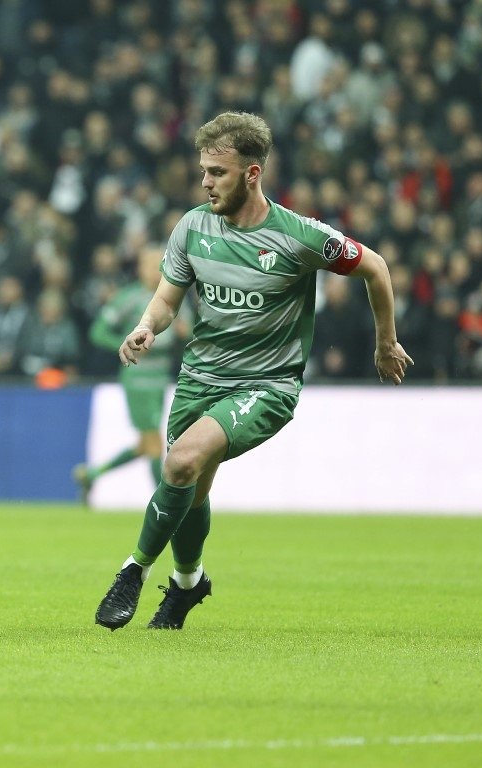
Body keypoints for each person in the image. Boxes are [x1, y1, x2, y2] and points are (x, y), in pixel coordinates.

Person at [95, 112, 413, 632]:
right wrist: (146, 326)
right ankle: (187, 585)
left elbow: (375, 266)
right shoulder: (193, 227)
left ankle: (132, 570)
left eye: (217, 172)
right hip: (201, 378)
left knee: (179, 464)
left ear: (252, 172)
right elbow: (166, 300)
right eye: (202, 170)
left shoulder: (297, 236)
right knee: (191, 490)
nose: (205, 182)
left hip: (266, 386)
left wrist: (386, 342)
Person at [73, 244, 183, 505]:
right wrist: (126, 345)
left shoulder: (175, 297)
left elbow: (182, 334)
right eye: (150, 264)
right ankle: (167, 503)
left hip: (161, 381)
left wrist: (184, 333)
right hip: (138, 381)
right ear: (140, 268)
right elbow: (98, 332)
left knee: (146, 444)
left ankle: (91, 474)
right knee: (155, 444)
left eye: (161, 264)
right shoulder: (128, 298)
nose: (157, 271)